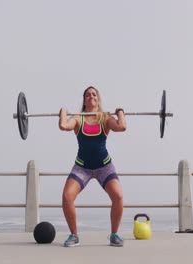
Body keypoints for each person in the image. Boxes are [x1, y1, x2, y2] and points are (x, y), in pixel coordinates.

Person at [58, 86, 127, 247]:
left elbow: (122, 127)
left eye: (94, 94)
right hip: (82, 167)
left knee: (118, 196)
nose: (91, 96)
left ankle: (114, 235)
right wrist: (63, 111)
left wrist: (121, 112)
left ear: (98, 99)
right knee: (67, 197)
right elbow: (63, 126)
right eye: (88, 95)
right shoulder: (77, 118)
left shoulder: (105, 118)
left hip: (104, 166)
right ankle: (74, 236)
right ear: (84, 100)